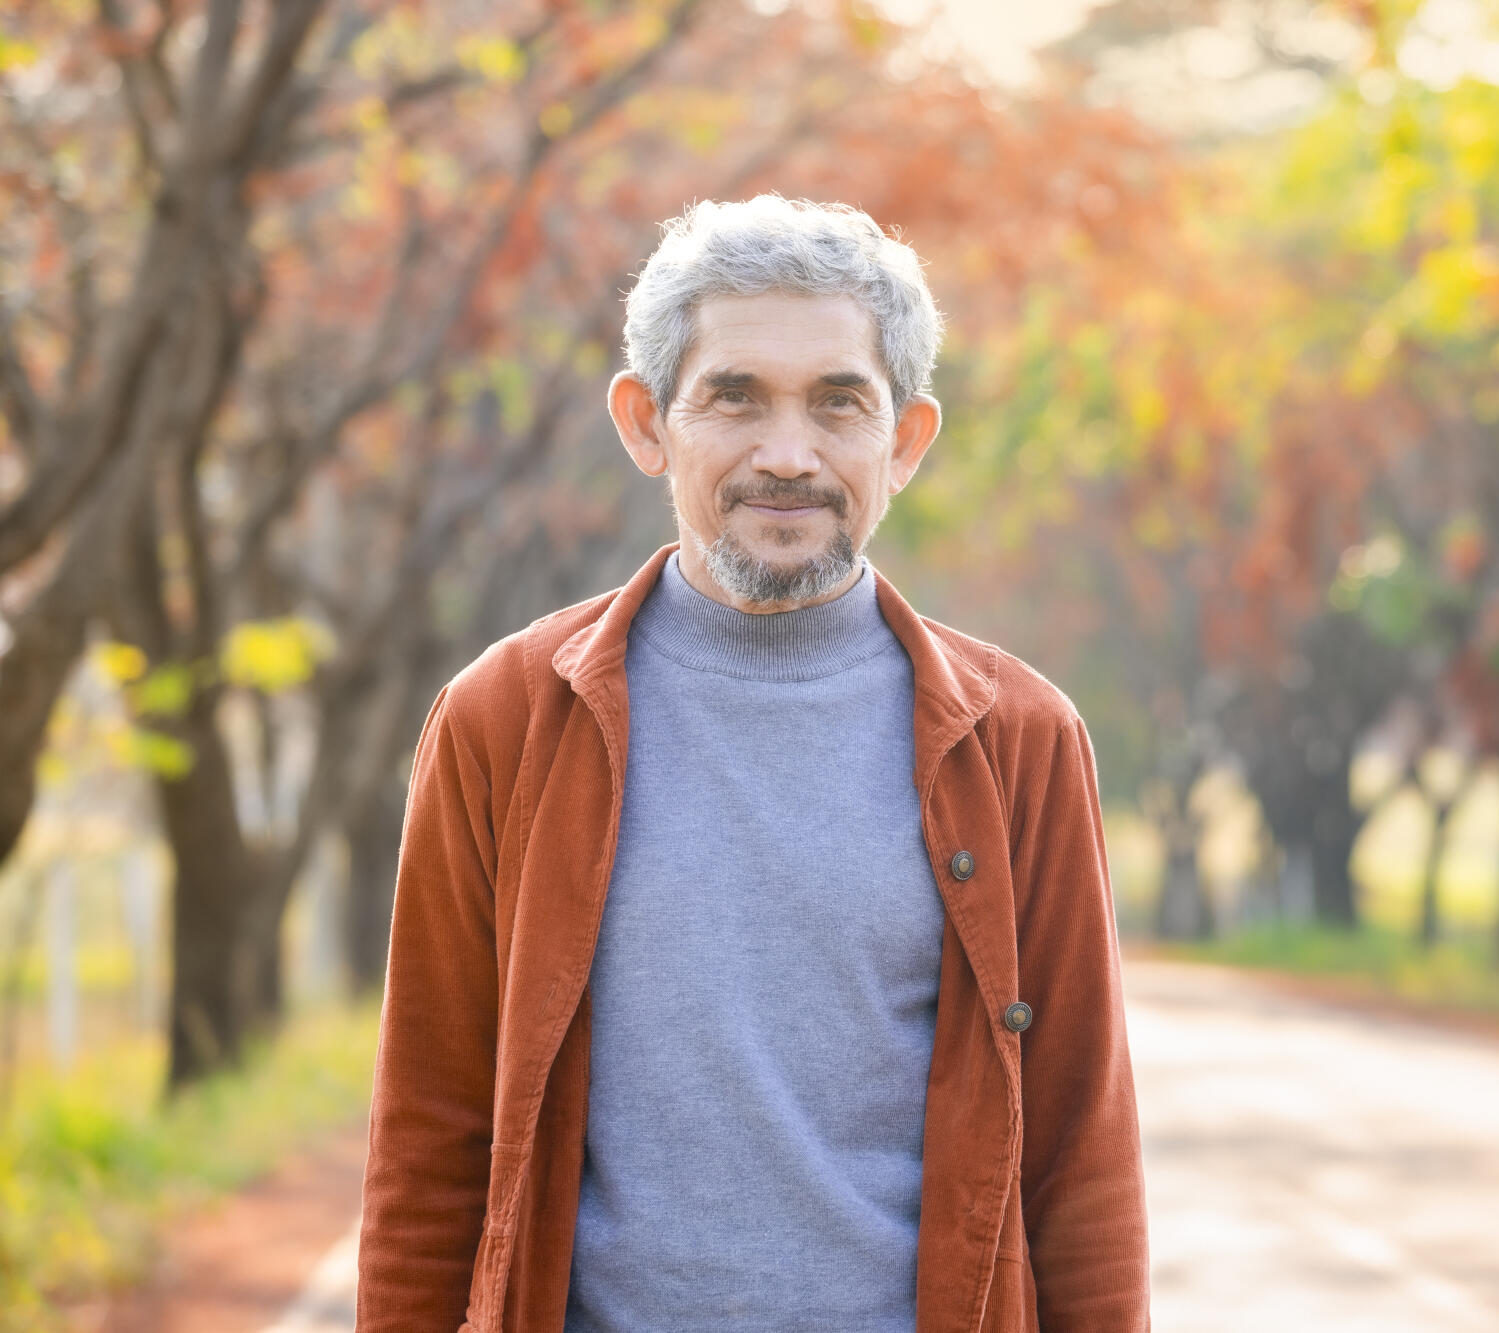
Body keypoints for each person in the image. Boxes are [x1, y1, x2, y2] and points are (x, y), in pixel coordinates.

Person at [355, 195, 1150, 1332]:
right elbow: (429, 1142)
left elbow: (1081, 1157)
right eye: (734, 397)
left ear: (905, 439)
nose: (789, 456)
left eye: (839, 404)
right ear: (646, 423)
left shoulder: (1017, 739)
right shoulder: (502, 720)